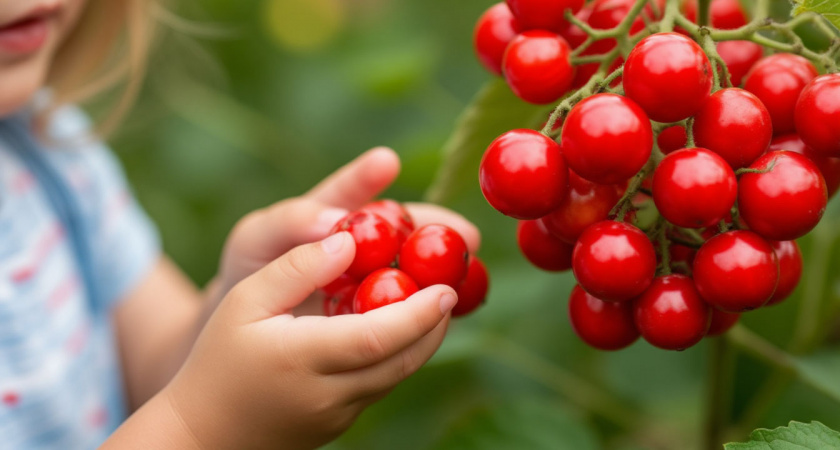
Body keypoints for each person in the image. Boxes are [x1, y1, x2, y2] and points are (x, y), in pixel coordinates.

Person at [0, 1, 480, 448]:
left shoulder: (51, 148)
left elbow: (159, 365)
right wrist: (200, 428)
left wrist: (240, 310)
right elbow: (190, 411)